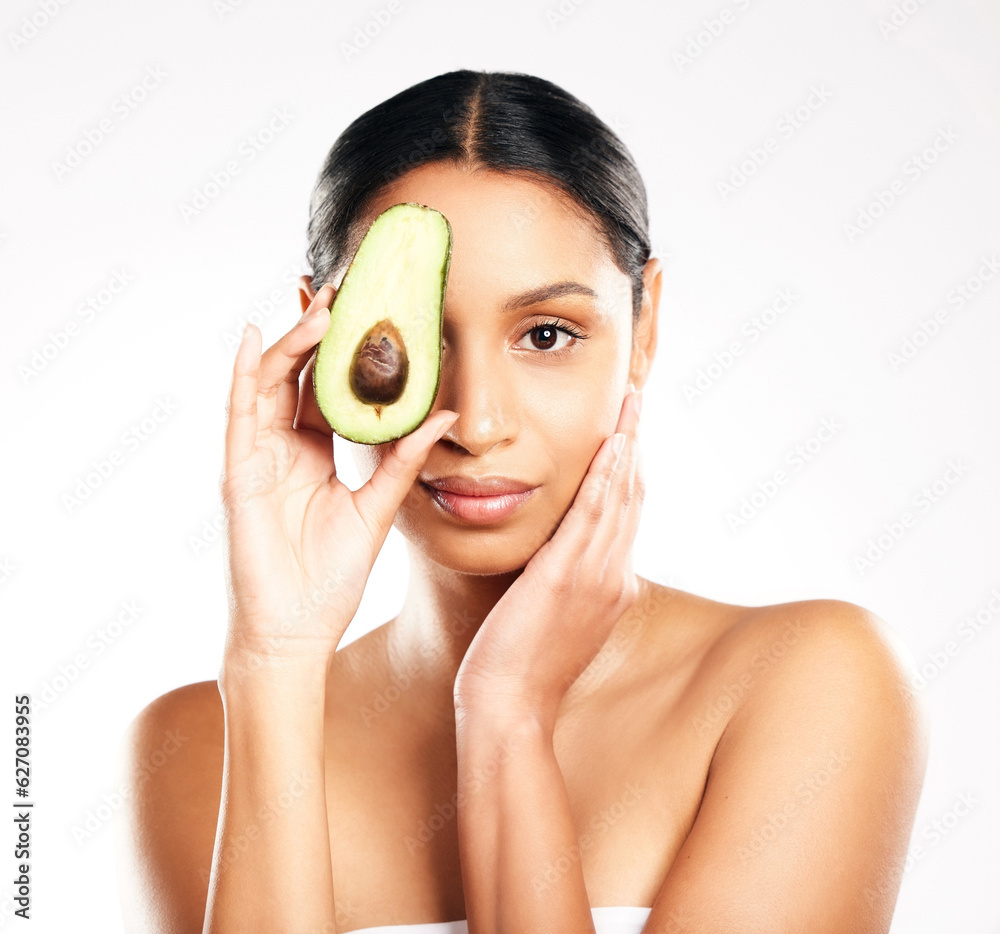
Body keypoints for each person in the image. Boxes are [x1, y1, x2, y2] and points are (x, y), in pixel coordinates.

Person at [115, 69, 928, 934]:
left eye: (547, 335)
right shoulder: (199, 745)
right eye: (413, 334)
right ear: (324, 333)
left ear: (644, 329)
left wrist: (506, 719)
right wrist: (275, 661)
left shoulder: (809, 681)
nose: (481, 421)